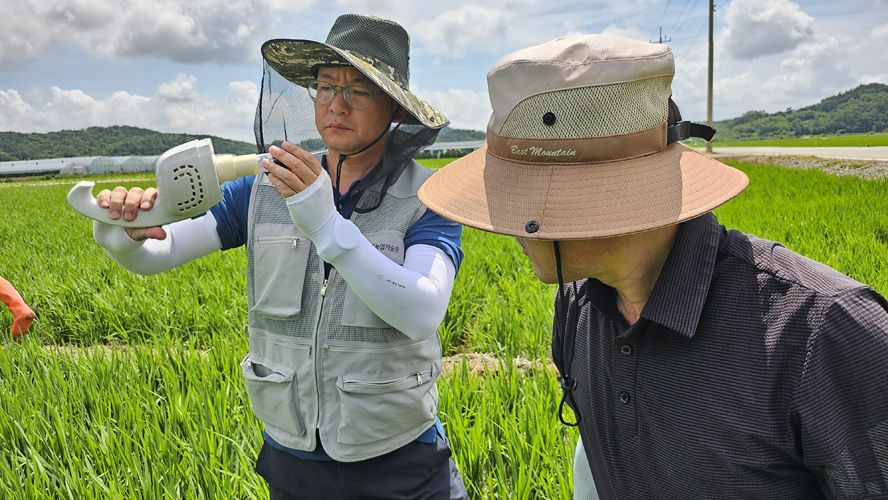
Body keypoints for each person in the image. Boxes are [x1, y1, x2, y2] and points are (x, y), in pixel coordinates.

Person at [418, 34, 888, 499]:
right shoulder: (578, 303)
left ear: (606, 196)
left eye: (521, 199)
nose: (504, 225)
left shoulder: (823, 333)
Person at [92, 14, 468, 500]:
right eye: (325, 87)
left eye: (359, 90)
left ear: (395, 109)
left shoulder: (428, 198)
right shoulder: (260, 191)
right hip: (291, 460)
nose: (336, 104)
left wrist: (328, 226)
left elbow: (422, 310)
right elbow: (159, 253)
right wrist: (122, 233)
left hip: (400, 459)